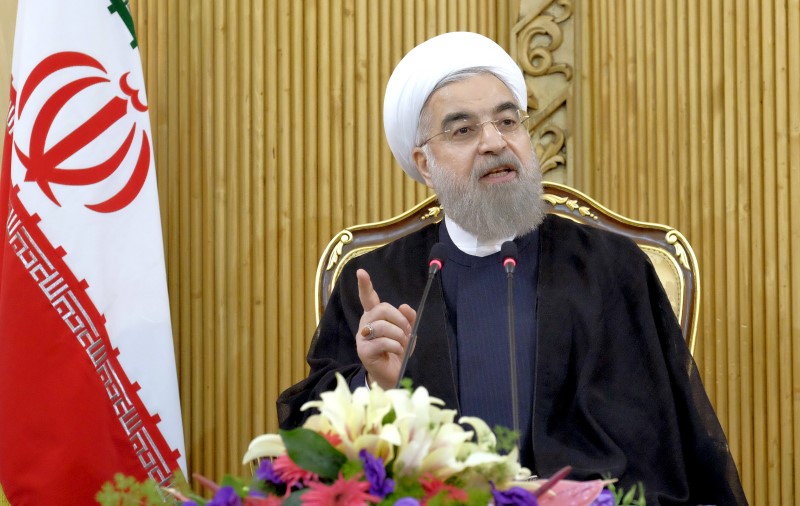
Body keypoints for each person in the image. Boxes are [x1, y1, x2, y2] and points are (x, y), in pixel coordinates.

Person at [277, 32, 747, 505]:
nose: (494, 142)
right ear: (424, 163)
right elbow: (309, 443)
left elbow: (661, 446)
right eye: (462, 130)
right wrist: (373, 385)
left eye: (508, 121)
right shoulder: (379, 279)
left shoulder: (609, 268)